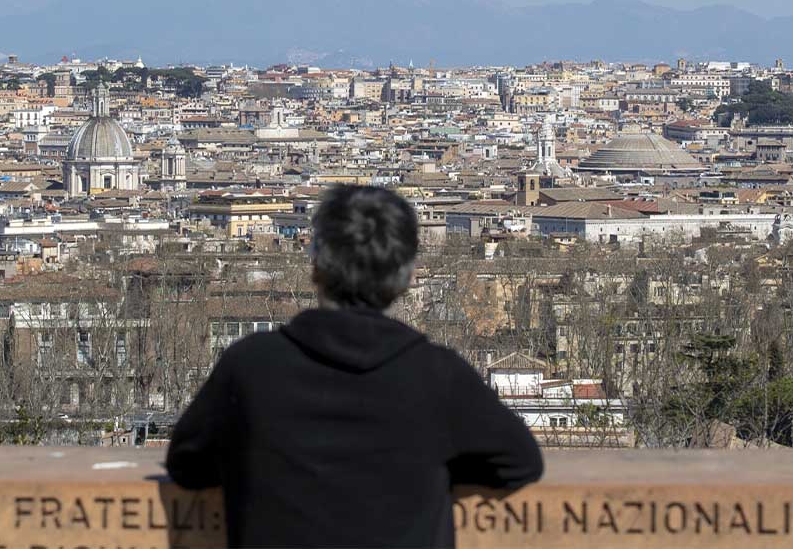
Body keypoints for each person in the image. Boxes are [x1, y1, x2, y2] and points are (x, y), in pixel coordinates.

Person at [166, 184, 543, 547]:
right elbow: (520, 463)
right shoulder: (437, 375)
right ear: (408, 277)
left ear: (315, 265)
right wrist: (424, 471)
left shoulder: (250, 366)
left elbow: (187, 464)